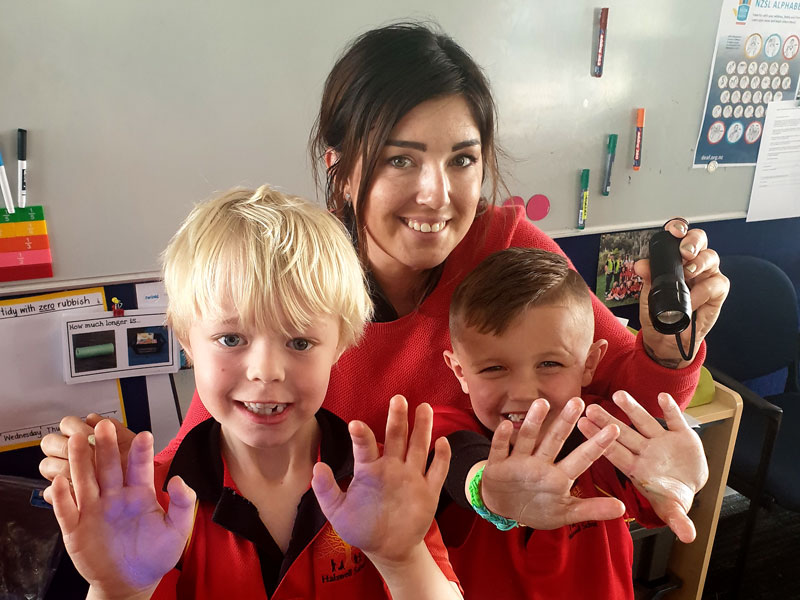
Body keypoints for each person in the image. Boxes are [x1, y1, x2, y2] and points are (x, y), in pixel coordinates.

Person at [40, 22, 729, 518]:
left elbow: (619, 384)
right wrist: (111, 477)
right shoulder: (299, 274)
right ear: (339, 167)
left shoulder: (509, 248)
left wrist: (672, 346)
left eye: (462, 159)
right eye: (401, 159)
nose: (437, 193)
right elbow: (212, 445)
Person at [49, 186, 462, 600]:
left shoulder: (382, 480)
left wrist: (403, 560)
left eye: (299, 342)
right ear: (186, 343)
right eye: (231, 339)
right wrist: (119, 589)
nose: (266, 372)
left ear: (340, 345)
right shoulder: (148, 500)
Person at [433, 247, 709, 599]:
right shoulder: (446, 432)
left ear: (590, 363)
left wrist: (667, 482)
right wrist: (486, 489)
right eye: (493, 368)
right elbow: (461, 463)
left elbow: (647, 493)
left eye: (550, 364)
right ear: (460, 372)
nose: (523, 392)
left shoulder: (601, 429)